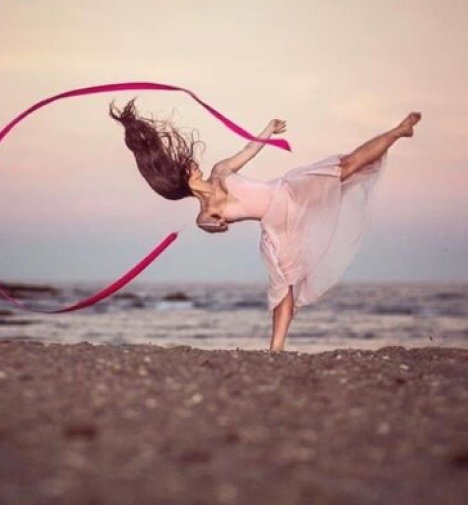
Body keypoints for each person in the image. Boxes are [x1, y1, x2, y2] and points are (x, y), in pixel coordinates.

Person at [110, 98, 421, 352]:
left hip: (289, 193)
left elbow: (249, 151)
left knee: (348, 166)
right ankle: (277, 348)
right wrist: (213, 225)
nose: (192, 163)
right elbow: (213, 227)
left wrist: (267, 130)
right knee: (282, 288)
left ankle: (397, 132)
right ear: (182, 178)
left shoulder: (220, 171)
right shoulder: (205, 213)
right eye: (186, 167)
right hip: (278, 228)